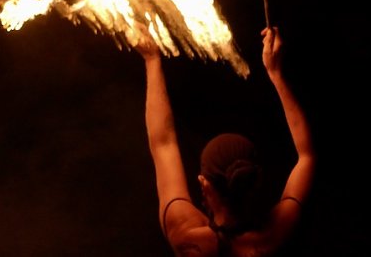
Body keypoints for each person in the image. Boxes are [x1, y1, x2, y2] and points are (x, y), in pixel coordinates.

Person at [134, 22, 315, 256]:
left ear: (204, 184)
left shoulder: (186, 239)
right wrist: (276, 73)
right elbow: (307, 155)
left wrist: (152, 59)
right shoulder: (276, 236)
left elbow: (163, 143)